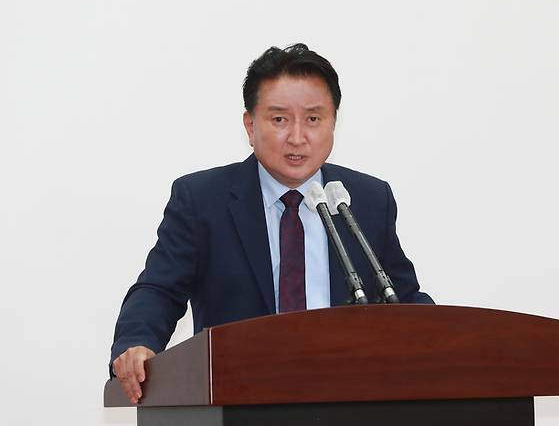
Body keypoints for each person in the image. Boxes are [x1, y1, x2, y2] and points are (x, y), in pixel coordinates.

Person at [109, 43, 434, 404]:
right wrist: (137, 342)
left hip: (348, 399)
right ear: (250, 125)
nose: (297, 137)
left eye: (313, 119)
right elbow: (159, 289)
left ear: (333, 122)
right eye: (279, 120)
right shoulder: (203, 200)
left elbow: (402, 298)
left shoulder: (365, 199)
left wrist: (450, 340)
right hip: (240, 400)